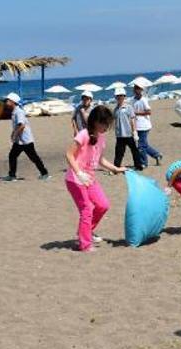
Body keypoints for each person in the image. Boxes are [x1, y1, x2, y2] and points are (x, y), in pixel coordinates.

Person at [65, 106, 127, 252]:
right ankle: (85, 244)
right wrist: (79, 173)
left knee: (103, 205)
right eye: (104, 123)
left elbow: (100, 160)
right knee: (87, 209)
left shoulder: (101, 137)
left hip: (90, 179)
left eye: (108, 124)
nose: (106, 127)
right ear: (95, 121)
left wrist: (116, 169)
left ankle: (85, 232)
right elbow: (68, 154)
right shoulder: (83, 134)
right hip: (75, 179)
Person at [2, 93, 50, 182]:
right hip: (19, 141)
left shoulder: (18, 112)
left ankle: (44, 174)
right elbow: (17, 125)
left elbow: (21, 125)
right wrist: (14, 134)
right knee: (12, 156)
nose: (5, 102)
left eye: (7, 101)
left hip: (25, 140)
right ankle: (12, 176)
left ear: (13, 102)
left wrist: (14, 135)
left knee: (34, 157)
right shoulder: (14, 111)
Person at [132, 84, 163, 167]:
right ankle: (157, 155)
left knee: (141, 145)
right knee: (143, 144)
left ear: (141, 90)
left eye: (138, 89)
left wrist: (137, 113)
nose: (136, 90)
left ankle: (144, 163)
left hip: (144, 125)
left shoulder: (143, 100)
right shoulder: (133, 100)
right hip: (136, 125)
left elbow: (149, 112)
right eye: (135, 88)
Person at [112, 87, 143, 171]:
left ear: (124, 96)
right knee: (119, 152)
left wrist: (135, 132)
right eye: (118, 96)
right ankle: (116, 167)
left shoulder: (129, 107)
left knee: (134, 150)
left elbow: (132, 120)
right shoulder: (115, 110)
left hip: (129, 134)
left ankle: (138, 166)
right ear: (116, 97)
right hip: (119, 135)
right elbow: (113, 121)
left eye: (121, 96)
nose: (119, 97)